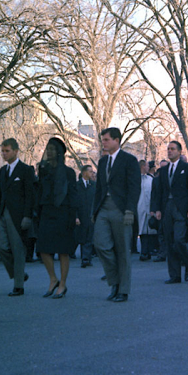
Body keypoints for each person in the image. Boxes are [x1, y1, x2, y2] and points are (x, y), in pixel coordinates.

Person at [93, 127, 141, 302]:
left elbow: (134, 187)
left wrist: (130, 210)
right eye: (103, 140)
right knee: (100, 245)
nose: (104, 143)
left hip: (121, 209)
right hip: (103, 208)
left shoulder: (129, 160)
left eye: (106, 140)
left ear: (116, 140)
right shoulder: (103, 162)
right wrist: (94, 211)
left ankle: (123, 290)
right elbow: (99, 188)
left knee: (123, 251)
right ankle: (114, 281)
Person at [36, 138, 78, 299]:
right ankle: (53, 278)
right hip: (46, 211)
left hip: (63, 213)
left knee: (63, 251)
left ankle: (62, 284)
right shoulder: (43, 170)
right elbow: (40, 191)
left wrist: (74, 216)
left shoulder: (68, 172)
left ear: (59, 152)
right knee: (43, 248)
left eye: (53, 149)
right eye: (48, 149)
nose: (49, 152)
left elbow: (73, 195)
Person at [152, 141, 188, 284]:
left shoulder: (187, 168)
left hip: (181, 209)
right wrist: (157, 209)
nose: (170, 151)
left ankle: (187, 265)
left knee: (179, 240)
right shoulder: (164, 170)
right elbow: (159, 191)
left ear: (179, 151)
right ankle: (175, 275)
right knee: (169, 241)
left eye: (172, 149)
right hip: (167, 208)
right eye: (168, 149)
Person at [0, 138, 35, 297]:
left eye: (7, 151)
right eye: (2, 151)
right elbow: (1, 194)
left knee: (18, 250)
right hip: (3, 214)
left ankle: (18, 285)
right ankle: (19, 274)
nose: (4, 154)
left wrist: (27, 216)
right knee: (1, 247)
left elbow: (30, 195)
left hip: (18, 216)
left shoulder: (26, 170)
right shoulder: (2, 171)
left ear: (16, 151)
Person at [75, 165, 96, 267]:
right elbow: (73, 202)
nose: (92, 173)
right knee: (82, 236)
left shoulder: (93, 185)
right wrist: (76, 216)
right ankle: (84, 257)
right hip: (81, 215)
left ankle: (86, 259)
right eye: (90, 171)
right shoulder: (76, 185)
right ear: (84, 173)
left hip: (91, 215)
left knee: (89, 237)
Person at [137, 160, 155, 262]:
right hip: (140, 207)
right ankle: (144, 251)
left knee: (150, 228)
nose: (148, 167)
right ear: (143, 166)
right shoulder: (136, 179)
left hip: (149, 207)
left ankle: (149, 251)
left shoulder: (150, 179)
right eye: (147, 166)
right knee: (142, 230)